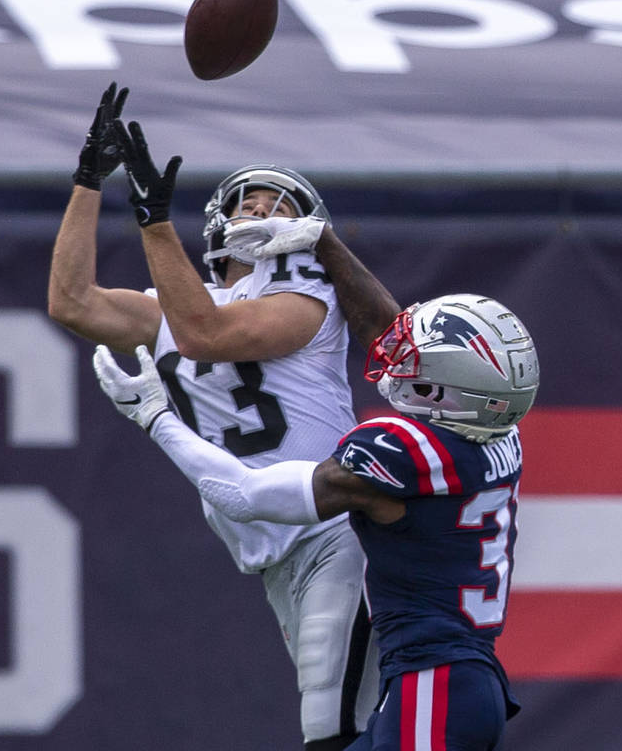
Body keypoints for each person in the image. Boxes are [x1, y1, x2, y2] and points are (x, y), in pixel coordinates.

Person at [49, 82, 400, 750]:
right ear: (219, 222)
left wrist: (153, 221)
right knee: (360, 721)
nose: (259, 207)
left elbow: (206, 333)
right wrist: (89, 181)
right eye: (247, 199)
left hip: (332, 528)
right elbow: (72, 303)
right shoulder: (174, 306)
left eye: (278, 204)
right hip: (271, 549)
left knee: (333, 729)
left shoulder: (308, 297)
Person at [93, 292, 541, 750]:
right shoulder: (500, 435)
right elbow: (389, 335)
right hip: (457, 681)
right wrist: (320, 234)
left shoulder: (402, 453)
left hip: (433, 684)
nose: (401, 361)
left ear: (445, 388)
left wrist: (156, 417)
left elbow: (245, 495)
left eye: (417, 360)